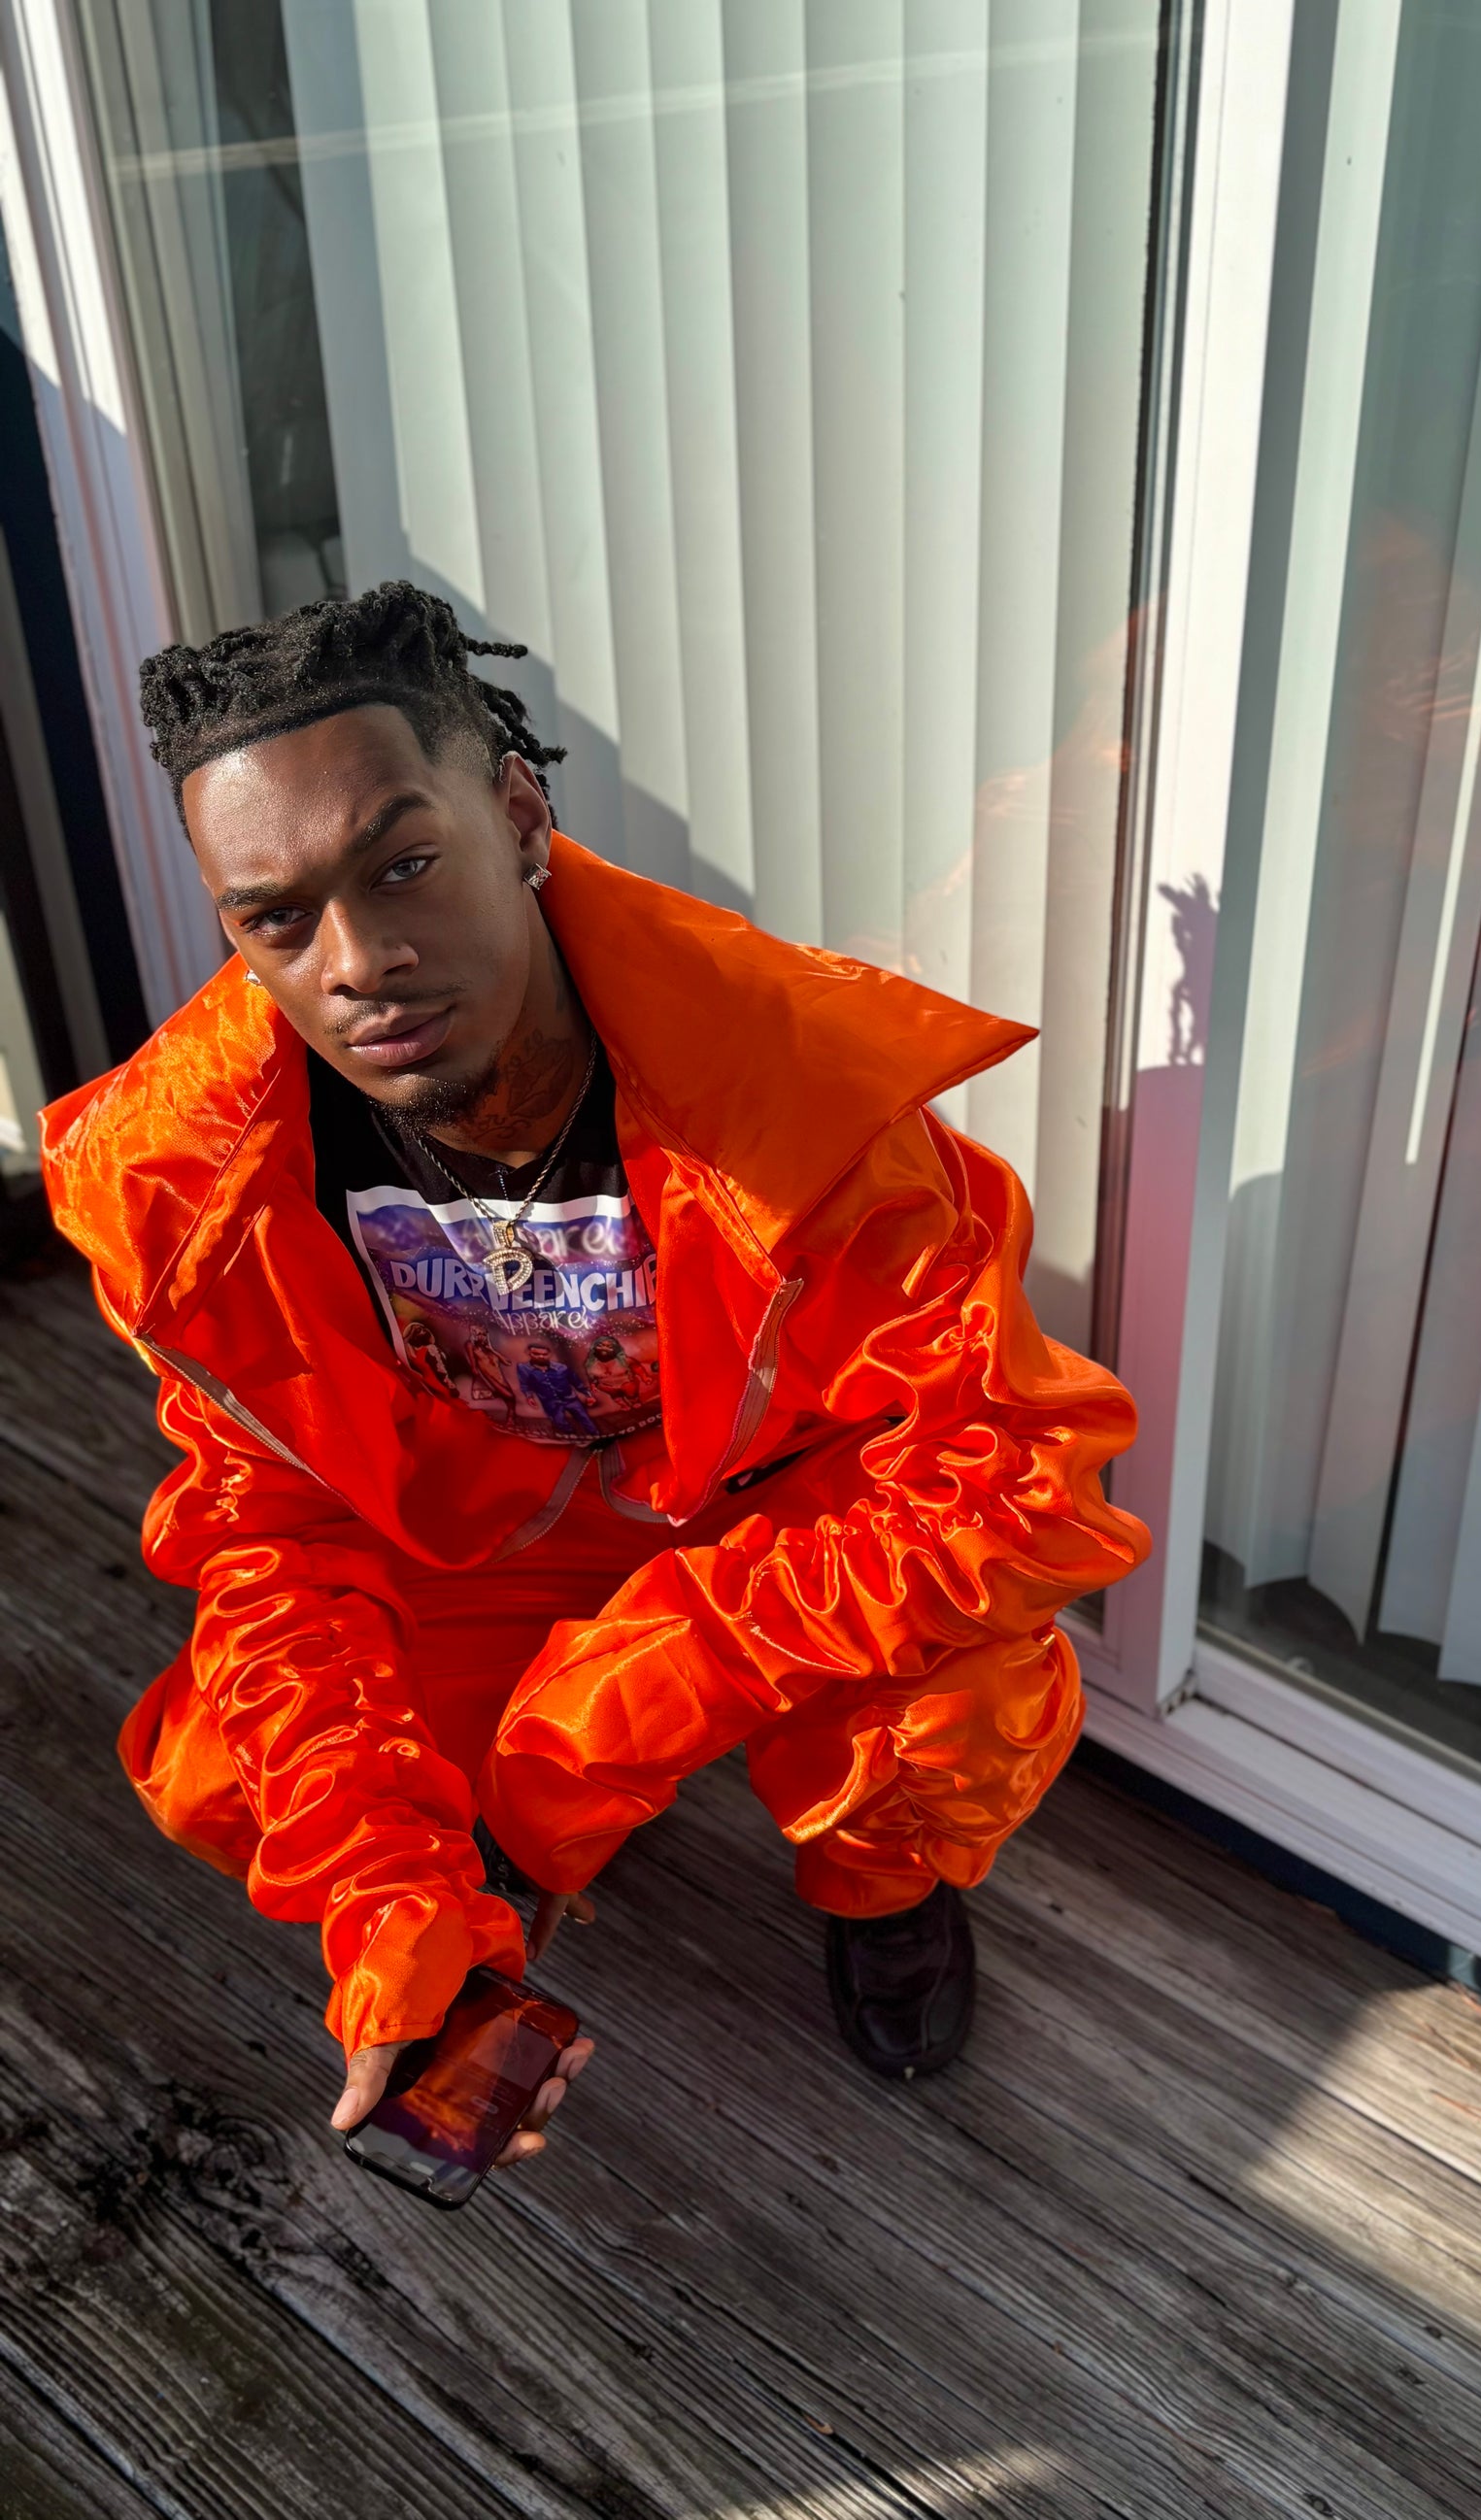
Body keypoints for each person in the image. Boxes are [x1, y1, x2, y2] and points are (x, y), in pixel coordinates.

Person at [40, 583, 1148, 2171]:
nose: (360, 964)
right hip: (490, 1526)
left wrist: (602, 1726)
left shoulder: (787, 1096)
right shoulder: (192, 1183)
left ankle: (881, 1887)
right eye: (275, 918)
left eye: (403, 866)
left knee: (952, 1701)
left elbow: (1005, 1474)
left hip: (787, 1505)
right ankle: (485, 1871)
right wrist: (397, 1898)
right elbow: (272, 1538)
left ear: (517, 815)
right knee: (232, 1756)